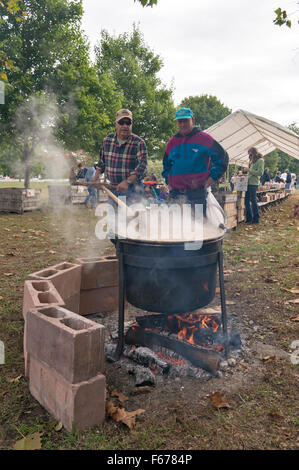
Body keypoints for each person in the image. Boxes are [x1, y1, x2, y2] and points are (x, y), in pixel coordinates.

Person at [162, 107, 228, 216]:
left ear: (192, 120)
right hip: (175, 194)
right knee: (174, 228)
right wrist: (168, 181)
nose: (182, 124)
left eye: (185, 121)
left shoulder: (204, 138)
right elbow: (166, 165)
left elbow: (223, 158)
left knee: (198, 228)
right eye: (180, 121)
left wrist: (211, 179)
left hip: (196, 194)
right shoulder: (172, 142)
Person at [93, 109, 148, 205]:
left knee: (131, 219)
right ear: (115, 124)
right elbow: (102, 162)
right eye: (121, 122)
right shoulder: (107, 140)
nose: (125, 126)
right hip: (113, 189)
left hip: (133, 190)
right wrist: (96, 176)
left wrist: (127, 182)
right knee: (114, 219)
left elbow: (142, 167)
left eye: (128, 123)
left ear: (131, 125)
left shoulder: (139, 143)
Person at [243, 147, 264, 224]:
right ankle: (249, 218)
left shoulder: (260, 161)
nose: (249, 156)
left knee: (253, 201)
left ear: (254, 153)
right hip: (248, 183)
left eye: (250, 155)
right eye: (249, 155)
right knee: (246, 201)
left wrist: (249, 170)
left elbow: (260, 173)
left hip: (254, 183)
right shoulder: (252, 161)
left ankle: (256, 219)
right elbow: (251, 173)